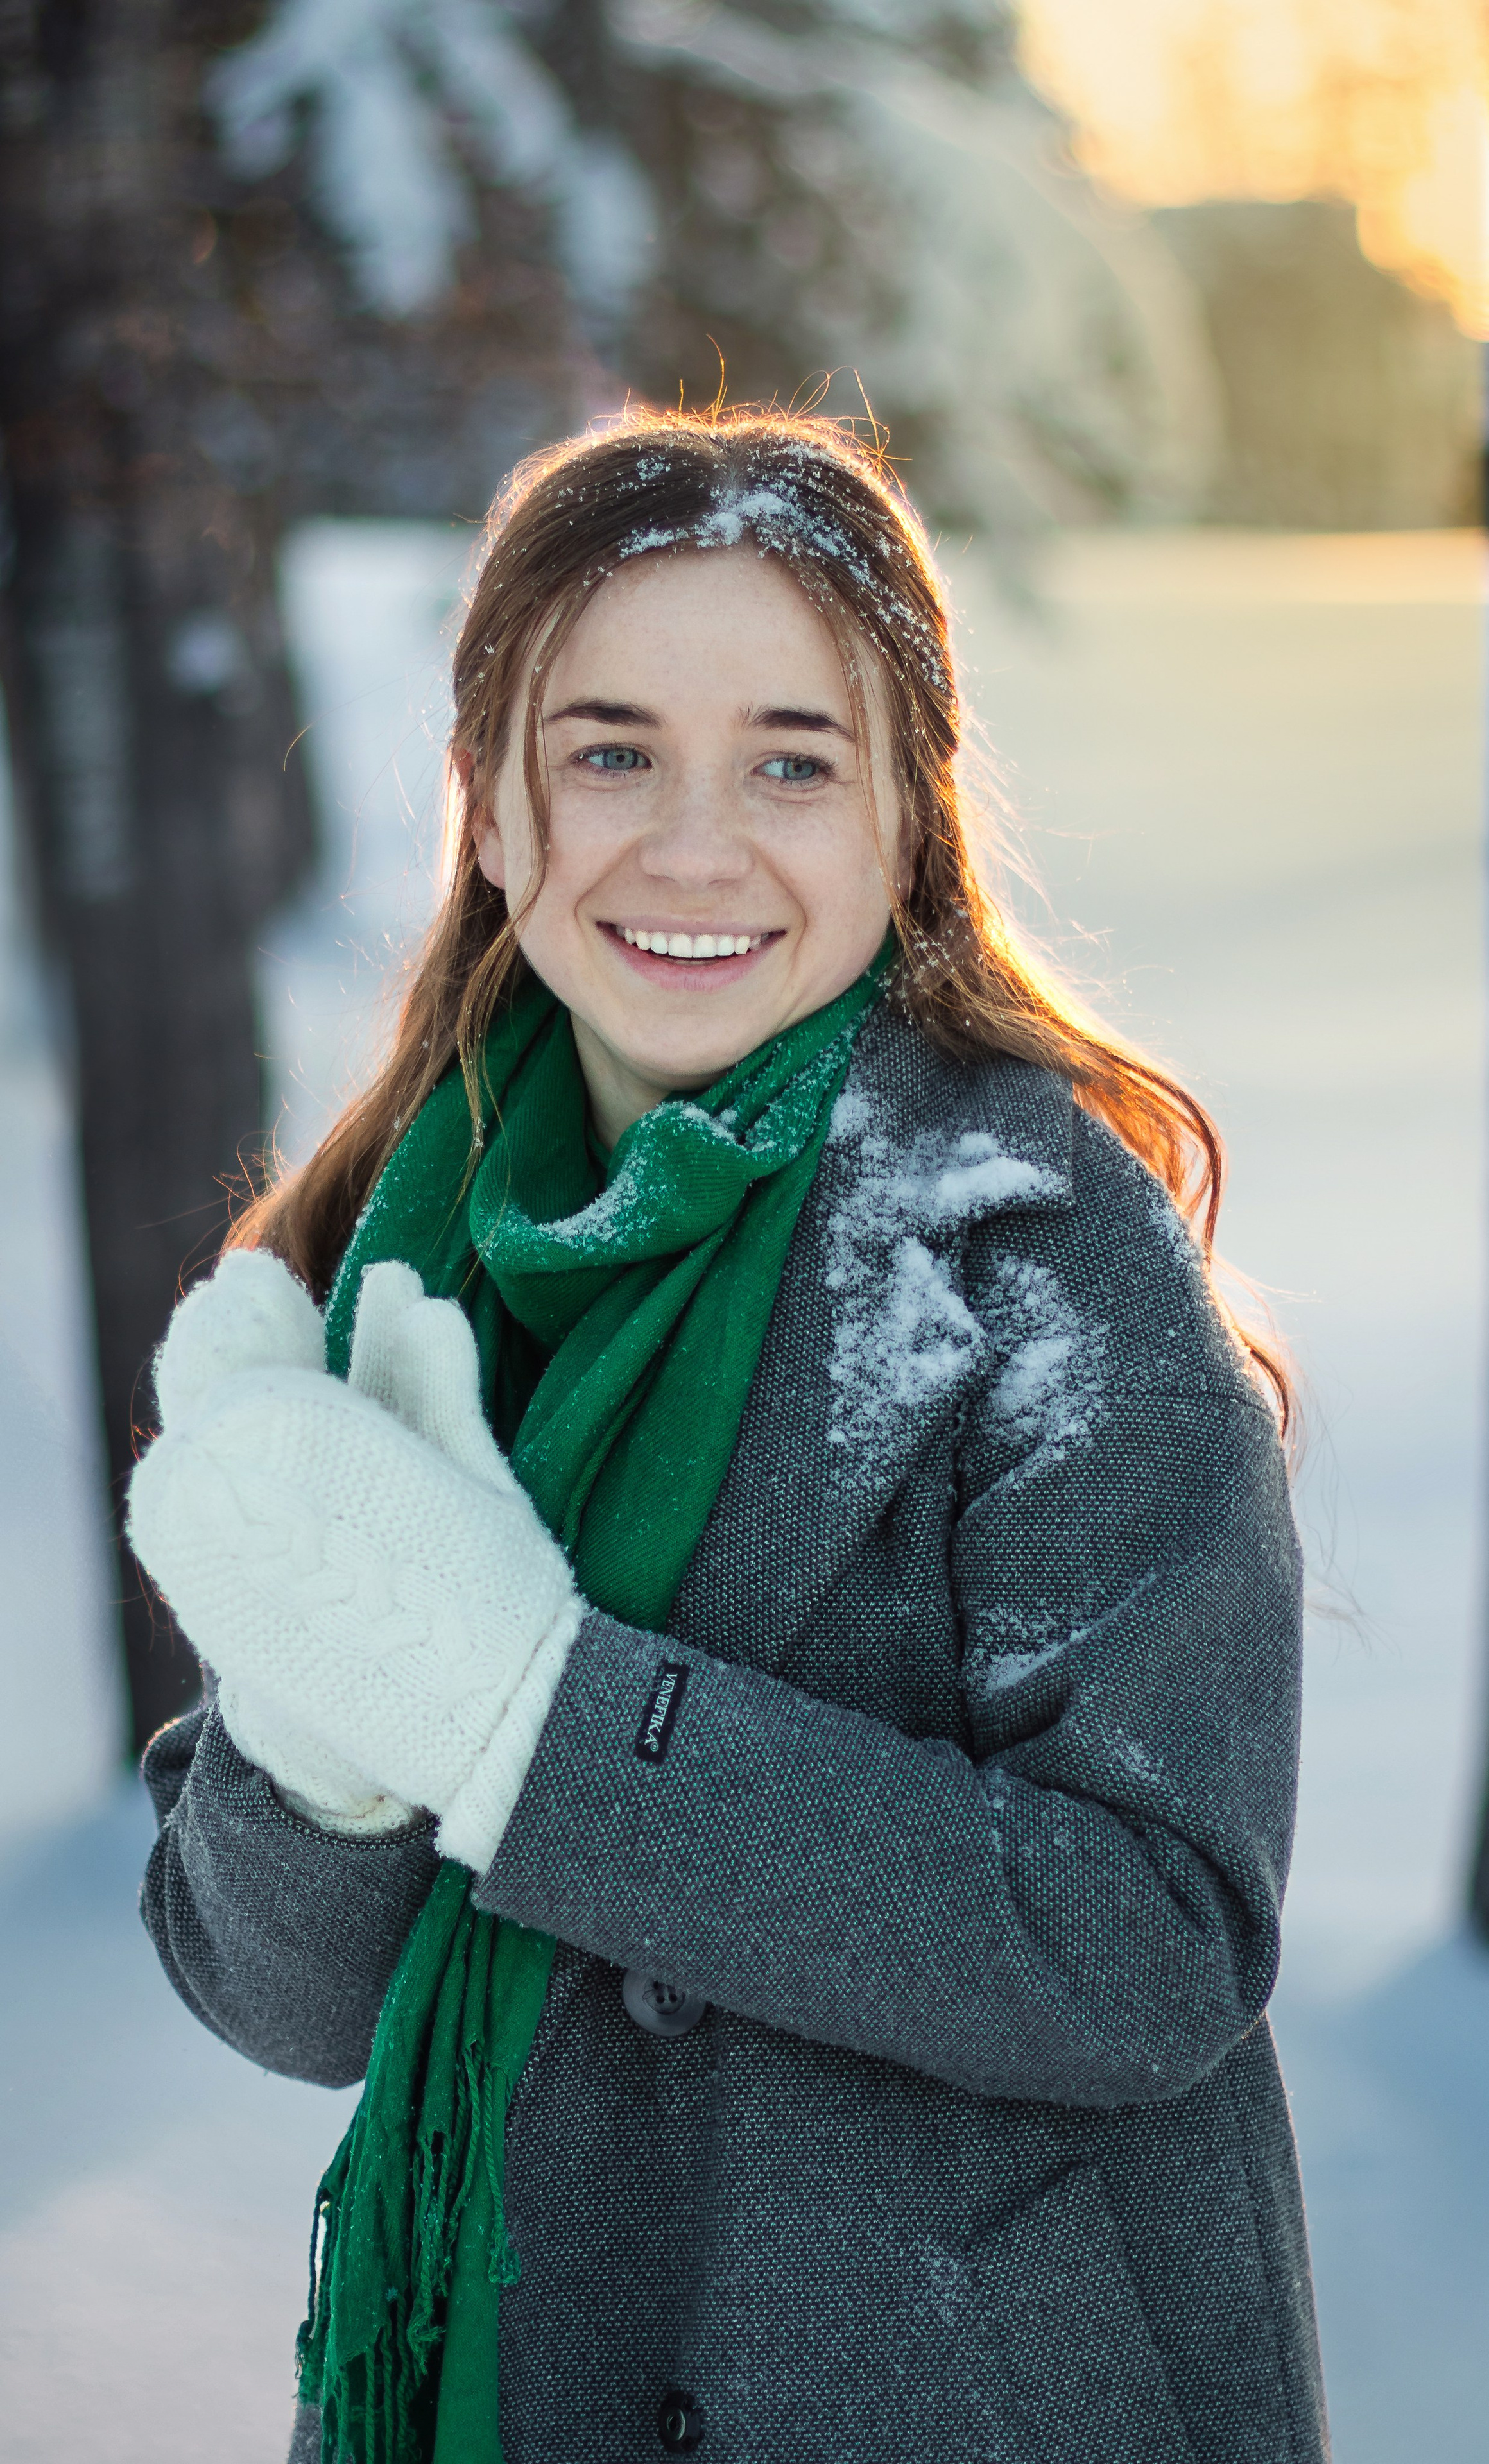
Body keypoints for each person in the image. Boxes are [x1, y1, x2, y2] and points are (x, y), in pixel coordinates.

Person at [130, 407, 1327, 2464]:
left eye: (794, 759)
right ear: (491, 810)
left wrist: (535, 1717)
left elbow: (1154, 1943)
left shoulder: (1045, 1260)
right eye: (610, 753)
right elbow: (288, 2003)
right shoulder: (386, 1263)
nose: (697, 847)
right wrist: (327, 1745)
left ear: (906, 820)